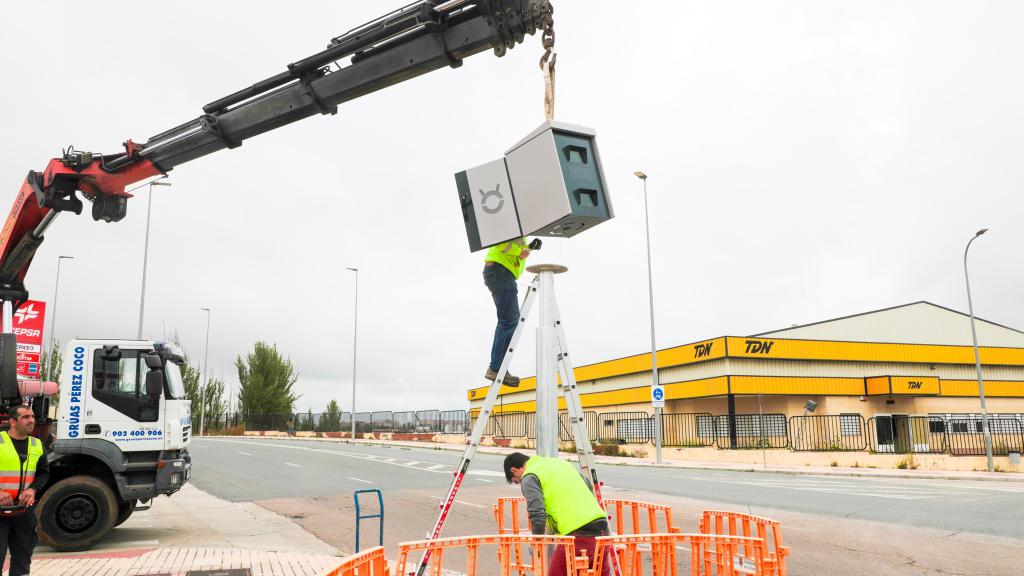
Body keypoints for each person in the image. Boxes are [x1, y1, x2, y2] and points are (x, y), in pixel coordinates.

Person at [503, 452, 610, 576]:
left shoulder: (529, 476)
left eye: (517, 481)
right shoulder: (561, 463)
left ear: (515, 470)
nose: (521, 483)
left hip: (579, 535)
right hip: (603, 531)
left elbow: (537, 514)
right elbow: (587, 485)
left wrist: (537, 542)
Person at [483, 238, 541, 387]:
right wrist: (521, 251)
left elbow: (517, 250)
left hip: (500, 271)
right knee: (509, 321)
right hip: (500, 271)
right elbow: (500, 242)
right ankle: (496, 368)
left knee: (509, 321)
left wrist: (529, 248)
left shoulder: (519, 232)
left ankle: (497, 367)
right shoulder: (513, 227)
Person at [0, 405, 48, 576]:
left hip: (24, 511)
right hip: (0, 511)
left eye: (32, 416)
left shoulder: (37, 444)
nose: (31, 420)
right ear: (12, 422)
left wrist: (33, 489)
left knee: (22, 560)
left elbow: (43, 473)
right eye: (26, 417)